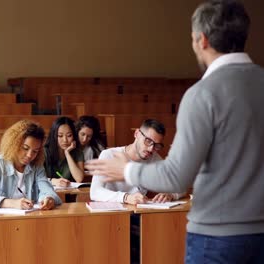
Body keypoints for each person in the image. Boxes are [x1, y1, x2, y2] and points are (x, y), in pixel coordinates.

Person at [85, 1, 264, 262]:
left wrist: (126, 170)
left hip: (217, 238)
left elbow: (176, 178)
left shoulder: (203, 94)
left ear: (201, 40)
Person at [90, 119, 185, 204]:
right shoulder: (108, 155)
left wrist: (171, 194)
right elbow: (95, 192)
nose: (151, 148)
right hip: (111, 214)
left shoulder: (154, 159)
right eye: (148, 141)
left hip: (139, 212)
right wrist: (126, 197)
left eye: (157, 146)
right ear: (137, 134)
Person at [0, 120, 62, 209]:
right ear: (14, 144)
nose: (29, 155)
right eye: (25, 148)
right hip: (2, 220)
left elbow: (47, 190)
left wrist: (49, 199)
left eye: (35, 151)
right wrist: (10, 203)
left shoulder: (37, 167)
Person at [44, 116, 85, 187]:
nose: (65, 140)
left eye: (69, 135)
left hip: (69, 194)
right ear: (54, 136)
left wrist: (67, 153)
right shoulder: (44, 151)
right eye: (60, 136)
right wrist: (54, 181)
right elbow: (37, 178)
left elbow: (79, 178)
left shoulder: (78, 152)